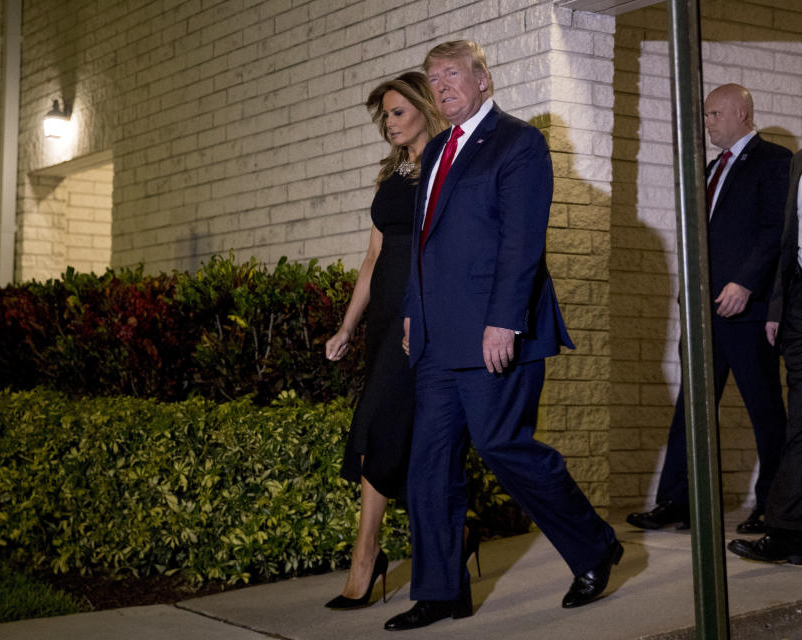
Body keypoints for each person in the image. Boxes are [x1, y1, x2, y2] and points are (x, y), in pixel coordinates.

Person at [384, 40, 621, 632]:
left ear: (483, 79)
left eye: (452, 75)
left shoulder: (519, 143)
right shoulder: (437, 147)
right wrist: (414, 310)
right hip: (438, 338)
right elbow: (423, 242)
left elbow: (522, 242)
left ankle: (594, 548)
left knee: (503, 448)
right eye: (433, 79)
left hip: (494, 331)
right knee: (429, 464)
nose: (441, 87)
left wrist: (505, 321)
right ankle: (440, 593)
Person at [626, 84, 789, 535]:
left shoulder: (774, 161)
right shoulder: (711, 168)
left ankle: (774, 507)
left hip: (746, 309)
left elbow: (774, 230)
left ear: (741, 112)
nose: (708, 122)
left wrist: (745, 283)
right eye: (705, 115)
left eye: (715, 113)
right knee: (692, 408)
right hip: (703, 312)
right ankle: (678, 501)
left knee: (764, 408)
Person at [323, 71, 448, 609]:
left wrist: (421, 316)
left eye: (399, 112)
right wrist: (348, 326)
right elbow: (373, 259)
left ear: (424, 108)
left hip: (423, 319)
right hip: (383, 323)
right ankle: (453, 536)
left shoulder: (448, 168)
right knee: (403, 432)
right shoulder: (390, 178)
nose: (390, 123)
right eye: (386, 115)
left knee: (379, 429)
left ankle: (366, 556)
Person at [728, 148, 802, 565]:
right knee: (799, 425)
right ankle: (788, 533)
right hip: (796, 307)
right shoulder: (798, 162)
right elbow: (788, 241)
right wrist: (777, 309)